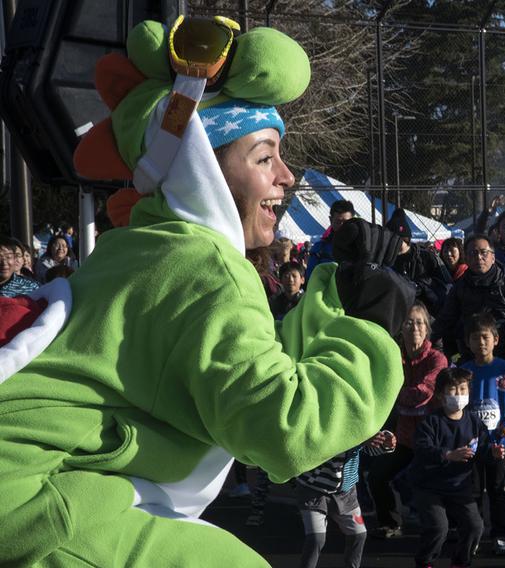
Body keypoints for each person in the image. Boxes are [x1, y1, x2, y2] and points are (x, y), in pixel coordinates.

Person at [0, 20, 413, 566]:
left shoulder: (146, 245)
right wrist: (370, 327)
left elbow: (252, 365)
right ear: (205, 171)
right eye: (265, 157)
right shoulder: (204, 262)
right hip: (32, 498)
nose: (288, 176)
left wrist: (337, 294)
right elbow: (284, 429)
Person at [409, 368, 505, 568]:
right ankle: (425, 561)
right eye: (452, 390)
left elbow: (484, 448)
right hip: (429, 487)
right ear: (440, 395)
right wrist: (447, 455)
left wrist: (494, 454)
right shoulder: (432, 422)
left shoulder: (474, 421)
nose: (459, 395)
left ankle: (461, 562)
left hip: (459, 488)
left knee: (474, 526)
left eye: (463, 389)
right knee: (438, 528)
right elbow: (422, 447)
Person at [369, 303, 447, 540]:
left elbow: (423, 392)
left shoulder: (437, 359)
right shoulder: (394, 356)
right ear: (401, 328)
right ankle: (390, 523)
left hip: (431, 437)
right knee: (377, 475)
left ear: (427, 329)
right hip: (403, 435)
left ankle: (445, 524)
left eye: (421, 322)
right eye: (409, 322)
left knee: (426, 481)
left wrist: (391, 393)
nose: (415, 327)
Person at [460, 312, 505, 556]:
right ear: (468, 342)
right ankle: (475, 533)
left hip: (498, 444)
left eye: (485, 337)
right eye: (475, 338)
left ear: (496, 340)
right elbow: (456, 407)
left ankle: (499, 535)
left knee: (497, 490)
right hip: (472, 445)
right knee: (474, 491)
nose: (480, 343)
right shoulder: (464, 373)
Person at [432, 234, 505, 367]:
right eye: (473, 253)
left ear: (493, 257)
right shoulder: (459, 288)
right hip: (470, 358)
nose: (478, 257)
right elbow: (444, 321)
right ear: (466, 257)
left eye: (484, 253)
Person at [296, 430, 396, 568]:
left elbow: (370, 447)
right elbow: (326, 443)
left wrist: (386, 441)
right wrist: (360, 437)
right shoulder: (329, 422)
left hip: (345, 492)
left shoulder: (359, 423)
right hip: (314, 489)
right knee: (316, 539)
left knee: (358, 535)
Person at [386, 209, 452, 316]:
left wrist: (422, 286)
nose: (392, 244)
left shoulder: (426, 257)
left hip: (429, 316)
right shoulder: (385, 260)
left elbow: (447, 286)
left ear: (406, 239)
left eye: (397, 239)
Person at [306, 199, 355, 281]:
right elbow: (310, 277)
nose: (342, 226)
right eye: (338, 222)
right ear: (331, 220)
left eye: (346, 222)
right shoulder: (320, 248)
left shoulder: (360, 247)